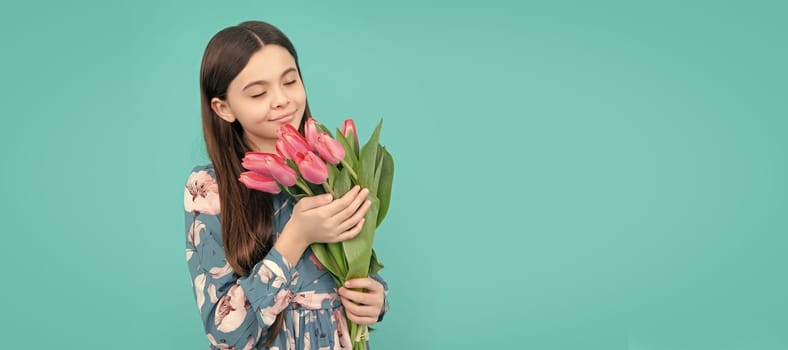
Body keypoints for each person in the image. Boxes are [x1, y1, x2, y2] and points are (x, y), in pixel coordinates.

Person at [184, 20, 388, 350]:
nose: (281, 100)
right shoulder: (210, 189)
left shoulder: (330, 170)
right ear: (223, 108)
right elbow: (226, 333)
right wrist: (297, 236)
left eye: (290, 81)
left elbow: (351, 267)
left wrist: (374, 299)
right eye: (258, 93)